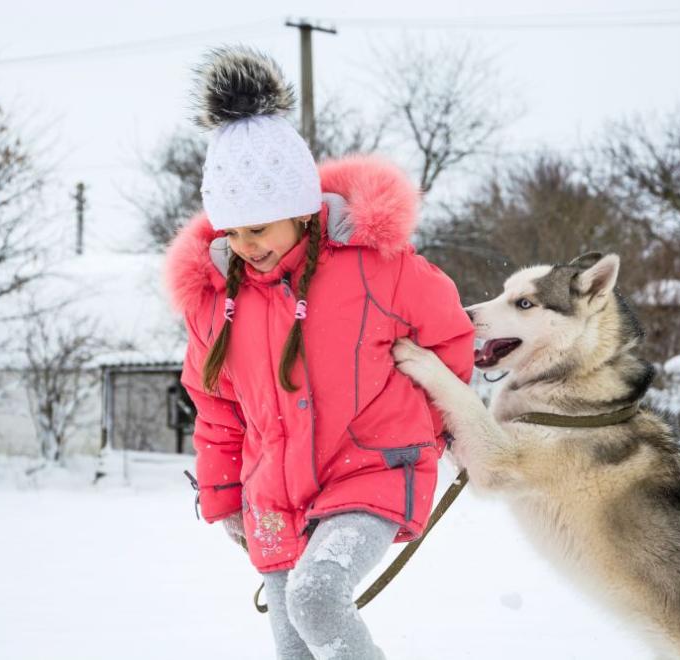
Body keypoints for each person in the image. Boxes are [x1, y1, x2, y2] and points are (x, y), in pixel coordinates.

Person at [163, 47, 474, 660]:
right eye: (232, 231)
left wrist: (432, 428)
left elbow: (449, 338)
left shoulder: (376, 268)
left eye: (260, 228)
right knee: (294, 648)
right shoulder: (216, 303)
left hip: (373, 470)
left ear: (302, 210)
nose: (245, 245)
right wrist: (226, 495)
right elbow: (215, 404)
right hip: (273, 495)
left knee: (317, 595)